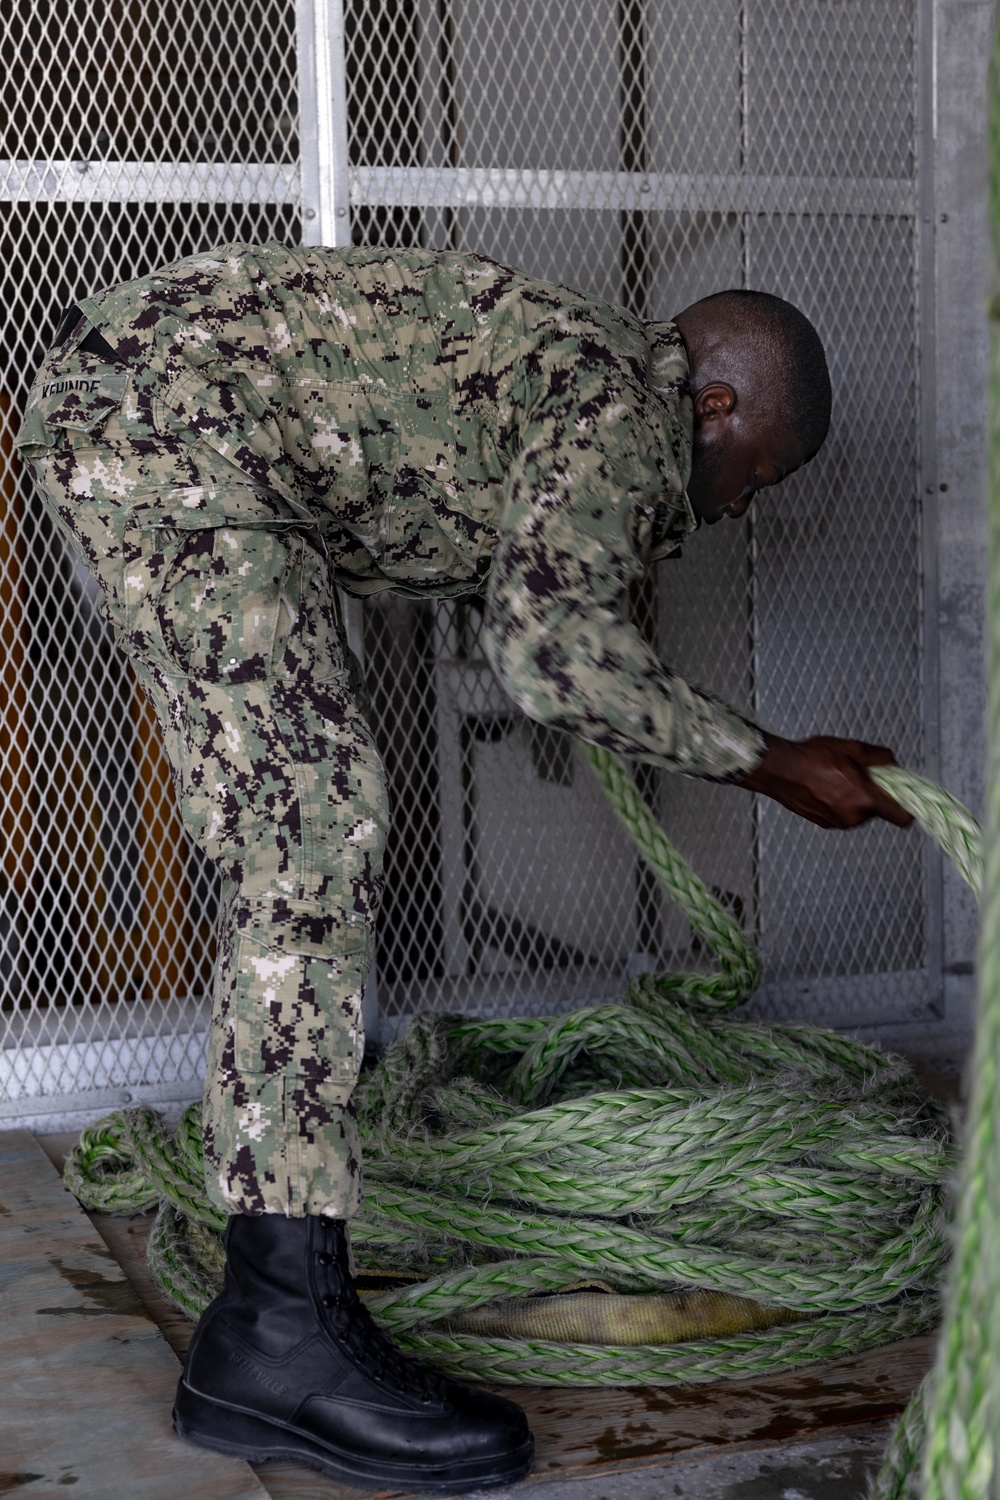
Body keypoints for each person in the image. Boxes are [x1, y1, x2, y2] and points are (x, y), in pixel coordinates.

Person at [15, 243, 911, 1491]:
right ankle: (275, 1334)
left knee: (307, 808)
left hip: (151, 408)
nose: (740, 507)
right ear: (715, 403)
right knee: (314, 818)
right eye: (757, 473)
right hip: (174, 434)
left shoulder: (570, 377)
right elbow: (556, 658)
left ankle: (272, 1311)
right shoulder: (621, 406)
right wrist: (772, 763)